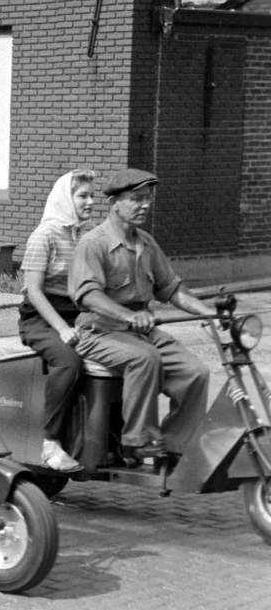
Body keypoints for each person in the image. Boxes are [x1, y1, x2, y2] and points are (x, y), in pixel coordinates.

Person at [69, 168, 212, 462]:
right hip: (99, 331)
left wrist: (209, 312)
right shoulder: (93, 243)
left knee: (195, 372)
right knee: (144, 358)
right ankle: (138, 439)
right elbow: (88, 295)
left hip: (142, 331)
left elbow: (172, 288)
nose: (145, 205)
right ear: (115, 203)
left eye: (147, 199)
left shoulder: (146, 242)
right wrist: (127, 316)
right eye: (136, 199)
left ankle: (175, 445)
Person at [17, 169, 97, 473]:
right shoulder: (45, 235)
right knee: (68, 362)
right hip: (41, 318)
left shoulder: (87, 234)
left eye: (92, 195)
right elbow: (33, 291)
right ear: (66, 198)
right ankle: (49, 443)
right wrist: (62, 328)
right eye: (83, 196)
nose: (90, 202)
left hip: (78, 315)